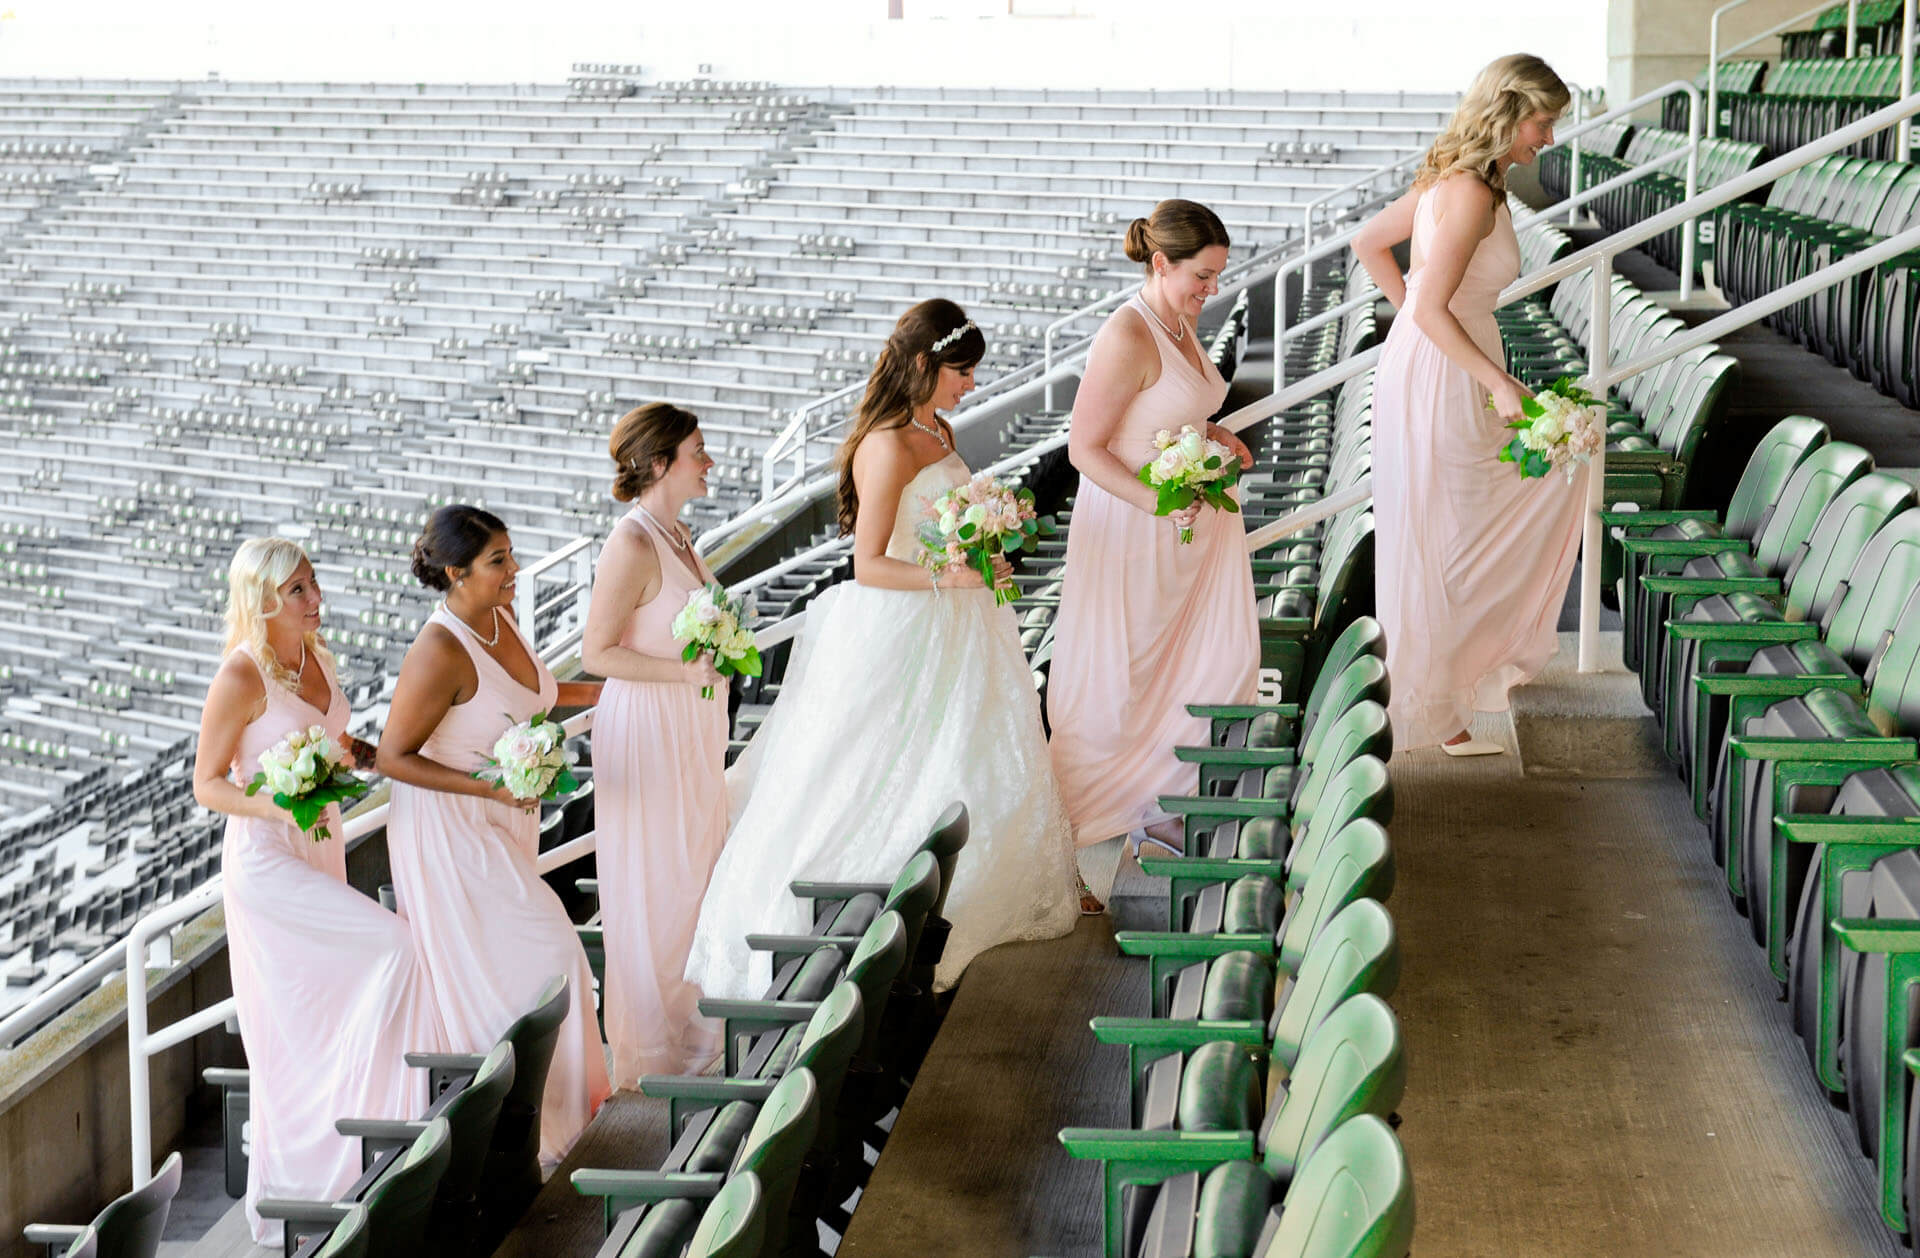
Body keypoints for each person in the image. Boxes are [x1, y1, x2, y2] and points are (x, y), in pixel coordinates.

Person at [684, 298, 1079, 1000]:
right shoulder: (887, 444)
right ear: (927, 364)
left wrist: (982, 557)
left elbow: (946, 528)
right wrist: (948, 573)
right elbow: (867, 562)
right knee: (880, 775)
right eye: (963, 371)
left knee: (970, 757)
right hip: (905, 623)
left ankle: (967, 902)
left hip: (961, 621)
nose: (972, 385)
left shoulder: (940, 425)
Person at [192, 538, 444, 1245]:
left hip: (321, 839)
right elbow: (207, 783)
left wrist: (391, 756)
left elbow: (338, 743)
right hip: (270, 858)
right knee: (390, 949)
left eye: (313, 582)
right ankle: (353, 1148)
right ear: (264, 599)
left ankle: (345, 1161)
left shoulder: (319, 659)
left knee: (320, 1017)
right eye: (299, 589)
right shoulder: (242, 676)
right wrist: (277, 807)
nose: (315, 597)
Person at [1353, 52, 1580, 754]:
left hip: (1435, 359)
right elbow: (1425, 301)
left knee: (1446, 525)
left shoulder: (1453, 178)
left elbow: (1370, 245)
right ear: (1511, 113)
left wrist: (1419, 333)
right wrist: (1493, 377)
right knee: (1458, 526)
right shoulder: (1472, 192)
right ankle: (1437, 704)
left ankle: (1442, 708)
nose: (1548, 140)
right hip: (1450, 367)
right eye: (1542, 124)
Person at [376, 504, 610, 1167]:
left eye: (511, 554)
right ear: (457, 573)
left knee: (529, 971)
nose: (515, 570)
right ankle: (540, 1137)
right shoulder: (439, 648)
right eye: (498, 561)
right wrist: (490, 789)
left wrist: (599, 691)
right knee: (550, 954)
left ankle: (566, 1122)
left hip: (504, 823)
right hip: (452, 834)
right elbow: (395, 757)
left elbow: (528, 693)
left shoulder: (501, 618)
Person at [1045, 198, 1259, 905]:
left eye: (1218, 276)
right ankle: (1065, 848)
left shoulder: (1181, 319)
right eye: (1201, 275)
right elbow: (1085, 449)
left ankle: (1161, 819)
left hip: (1194, 539)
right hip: (1139, 533)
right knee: (1116, 689)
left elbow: (1172, 410)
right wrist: (1161, 505)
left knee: (1214, 671)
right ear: (1160, 262)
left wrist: (1215, 436)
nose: (1211, 289)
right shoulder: (1127, 335)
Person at [581, 403, 728, 1085]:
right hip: (646, 728)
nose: (710, 461)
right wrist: (684, 671)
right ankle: (656, 1059)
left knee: (694, 874)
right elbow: (596, 653)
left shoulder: (679, 536)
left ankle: (696, 1041)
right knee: (657, 885)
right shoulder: (633, 543)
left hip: (688, 725)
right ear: (662, 461)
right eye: (699, 450)